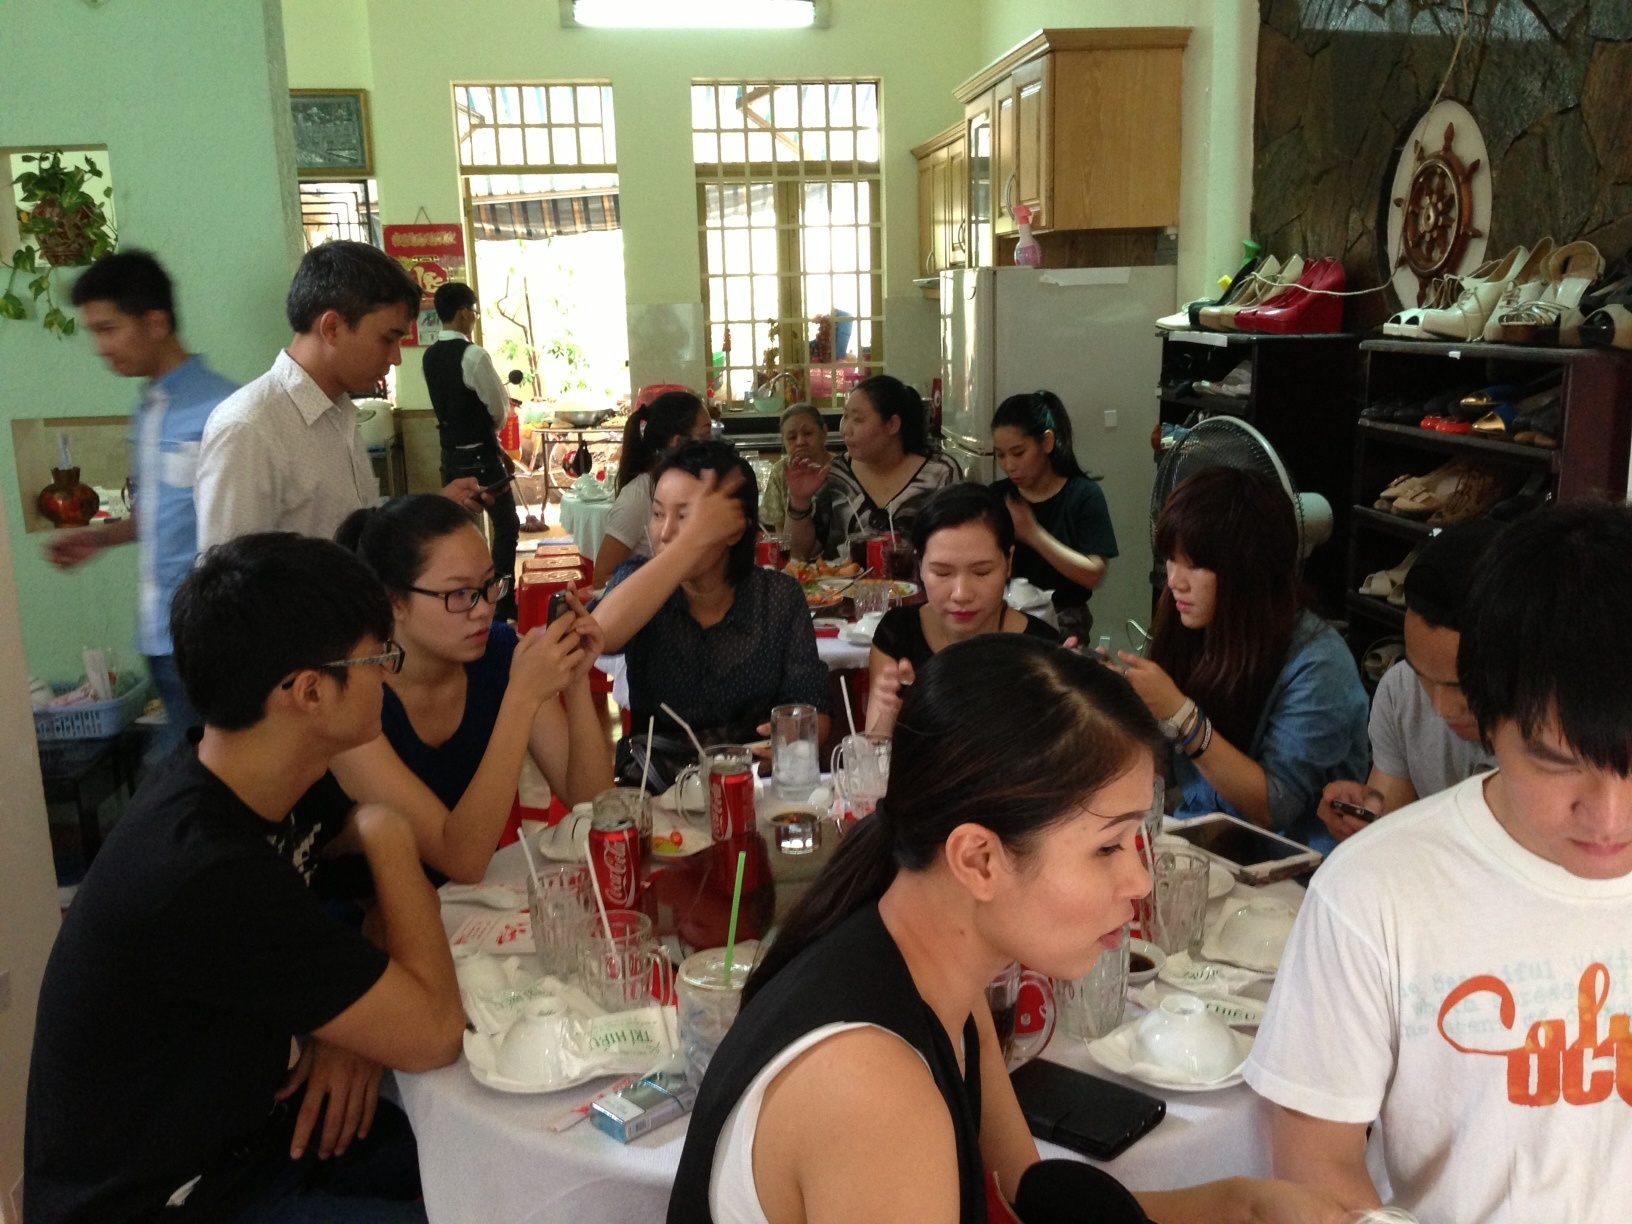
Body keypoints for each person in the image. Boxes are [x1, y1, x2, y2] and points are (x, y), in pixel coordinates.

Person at [668, 634, 1344, 1224]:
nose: (1140, 882)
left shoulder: (937, 981)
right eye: (1108, 847)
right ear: (978, 859)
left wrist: (1243, 1207)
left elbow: (1021, 1199)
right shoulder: (870, 1089)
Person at [24, 533, 465, 1224]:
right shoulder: (205, 871)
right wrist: (387, 831)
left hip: (245, 1142)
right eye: (379, 658)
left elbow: (367, 908)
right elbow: (436, 1031)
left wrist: (347, 1024)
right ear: (310, 691)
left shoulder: (258, 777)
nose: (390, 675)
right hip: (161, 1200)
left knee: (473, 1163)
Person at [1245, 501, 1632, 1224]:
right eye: (1555, 763)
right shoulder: (1373, 893)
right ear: (1487, 717)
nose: (1610, 818)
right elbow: (1314, 1162)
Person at [330, 495, 613, 883]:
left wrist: (576, 679)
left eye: (489, 585)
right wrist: (521, 698)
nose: (484, 609)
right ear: (393, 602)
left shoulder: (498, 653)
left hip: (476, 904)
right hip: (373, 912)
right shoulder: (350, 696)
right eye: (459, 594)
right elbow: (461, 859)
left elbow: (593, 804)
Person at [46, 250, 237, 758]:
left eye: (108, 329)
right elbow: (162, 511)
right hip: (158, 634)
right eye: (94, 332)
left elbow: (246, 529)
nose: (100, 348)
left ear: (156, 323)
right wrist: (101, 538)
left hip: (211, 637)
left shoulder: (224, 411)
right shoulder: (149, 410)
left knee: (196, 774)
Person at [1120, 467, 1368, 849]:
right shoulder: (1193, 626)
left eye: (1195, 565)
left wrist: (1182, 715)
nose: (1174, 581)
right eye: (1170, 559)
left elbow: (1275, 806)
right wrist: (1111, 703)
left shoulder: (1319, 663)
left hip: (1294, 866)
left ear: (1250, 570)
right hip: (1205, 841)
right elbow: (1163, 769)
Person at [196, 240, 485, 550]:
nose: (396, 358)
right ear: (332, 327)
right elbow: (227, 576)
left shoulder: (338, 411)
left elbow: (355, 537)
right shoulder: (248, 429)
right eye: (388, 339)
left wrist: (430, 511)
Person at [593, 440, 829, 747]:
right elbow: (599, 636)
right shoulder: (638, 581)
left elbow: (814, 710)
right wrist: (694, 541)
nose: (665, 533)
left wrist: (789, 744)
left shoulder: (778, 597)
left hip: (752, 769)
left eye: (684, 517)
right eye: (658, 514)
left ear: (735, 528)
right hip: (657, 771)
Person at [1317, 520, 1502, 841]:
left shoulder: (1555, 735)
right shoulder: (1401, 691)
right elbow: (1387, 822)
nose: (1440, 707)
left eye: (1460, 686)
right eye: (1422, 674)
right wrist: (1360, 823)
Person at [866, 483, 1059, 738]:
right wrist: (889, 715)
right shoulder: (898, 634)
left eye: (982, 572)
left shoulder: (1041, 648)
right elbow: (874, 752)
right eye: (942, 572)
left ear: (1009, 562)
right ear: (920, 565)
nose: (961, 594)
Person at [422, 281, 519, 620]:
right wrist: (492, 435)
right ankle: (502, 603)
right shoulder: (473, 355)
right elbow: (498, 407)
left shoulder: (430, 356)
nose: (475, 318)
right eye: (474, 312)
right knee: (507, 525)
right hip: (481, 458)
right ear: (463, 313)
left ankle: (465, 602)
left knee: (459, 533)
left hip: (450, 457)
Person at [786, 374, 960, 561]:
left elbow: (957, 549)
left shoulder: (940, 473)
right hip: (842, 581)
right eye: (845, 416)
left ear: (892, 424)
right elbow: (801, 554)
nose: (845, 430)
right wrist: (800, 501)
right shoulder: (837, 473)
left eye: (857, 420)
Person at [990, 389, 1119, 642]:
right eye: (1000, 455)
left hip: (1065, 620)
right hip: (1004, 612)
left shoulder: (1083, 495)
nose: (1009, 465)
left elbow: (1093, 574)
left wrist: (1032, 533)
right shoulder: (998, 496)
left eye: (1018, 453)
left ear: (1047, 442)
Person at [593, 389, 713, 586]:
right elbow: (601, 579)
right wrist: (661, 586)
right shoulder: (637, 496)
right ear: (677, 443)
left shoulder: (703, 486)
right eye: (706, 435)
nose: (713, 444)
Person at [758, 402, 828, 534]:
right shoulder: (781, 471)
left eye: (808, 434)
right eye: (792, 437)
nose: (800, 442)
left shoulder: (842, 467)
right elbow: (780, 535)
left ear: (824, 433)